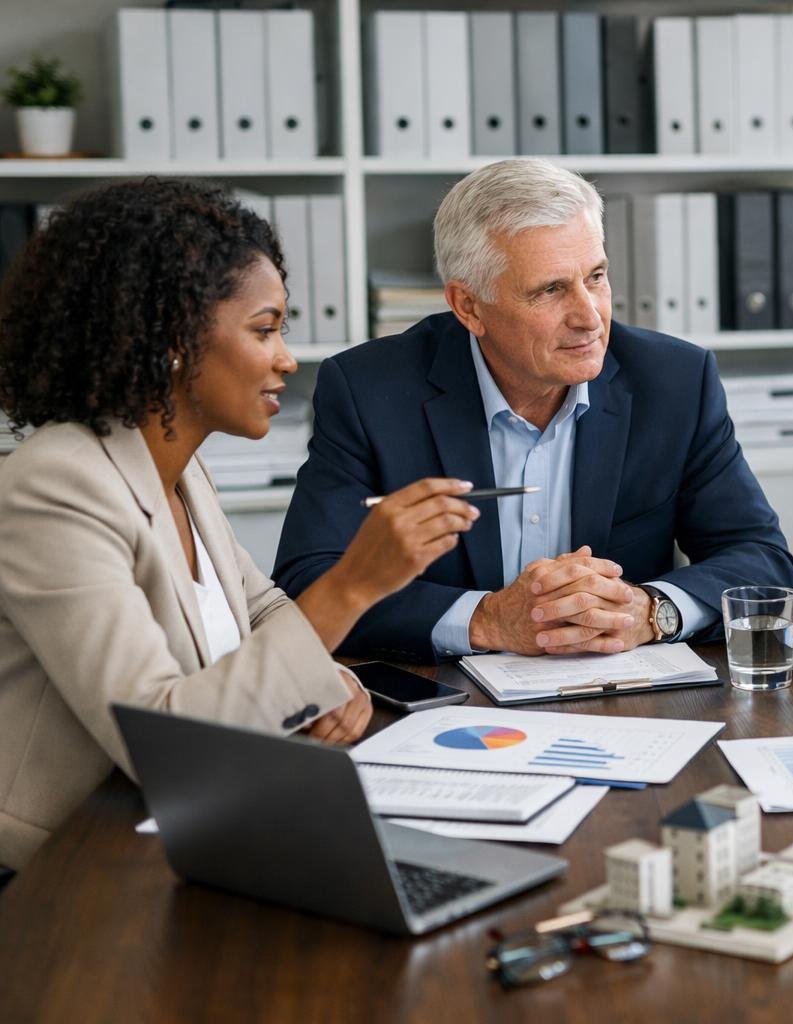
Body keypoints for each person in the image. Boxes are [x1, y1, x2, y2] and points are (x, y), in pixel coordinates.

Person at [0, 178, 480, 871]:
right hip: (71, 868)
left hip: (192, 828)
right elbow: (159, 743)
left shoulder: (178, 468)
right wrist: (354, 584)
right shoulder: (55, 486)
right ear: (171, 341)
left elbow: (261, 609)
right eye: (265, 330)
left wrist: (336, 682)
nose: (287, 358)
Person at [273, 158, 793, 663]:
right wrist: (487, 619)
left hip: (629, 696)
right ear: (468, 307)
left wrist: (650, 610)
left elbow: (762, 559)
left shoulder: (675, 381)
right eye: (551, 290)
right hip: (454, 705)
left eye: (595, 276)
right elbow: (309, 581)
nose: (590, 317)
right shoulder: (369, 391)